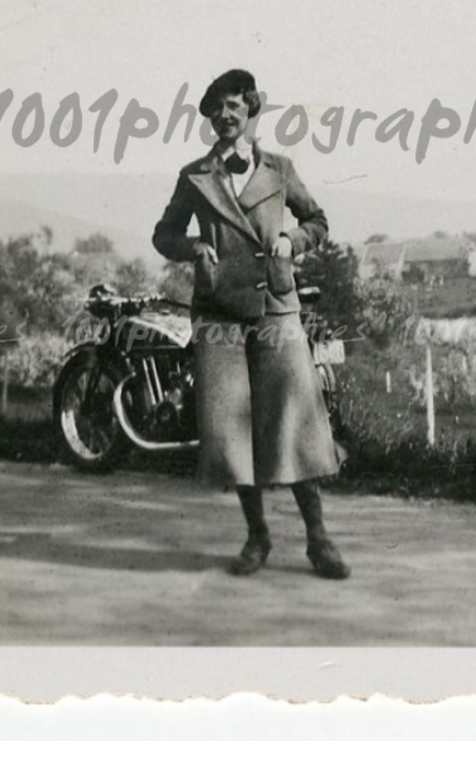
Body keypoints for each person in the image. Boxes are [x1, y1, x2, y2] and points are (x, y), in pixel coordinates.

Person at [152, 68, 349, 579]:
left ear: (252, 108)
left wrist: (291, 242)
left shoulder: (280, 169)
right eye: (215, 109)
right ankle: (257, 537)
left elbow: (318, 221)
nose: (224, 116)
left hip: (276, 310)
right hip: (219, 315)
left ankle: (318, 539)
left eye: (233, 106)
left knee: (296, 425)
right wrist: (193, 246)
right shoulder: (194, 175)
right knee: (233, 436)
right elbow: (163, 234)